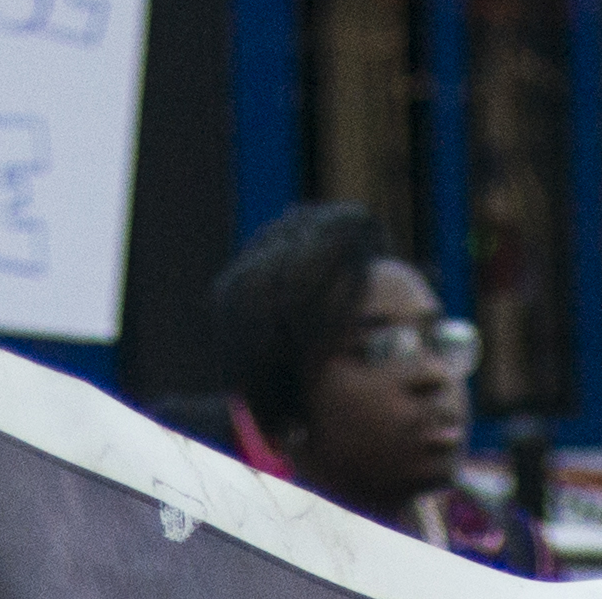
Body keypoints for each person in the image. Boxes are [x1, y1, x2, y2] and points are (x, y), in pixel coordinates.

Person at [201, 200, 549, 564]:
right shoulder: (248, 568)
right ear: (288, 400)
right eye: (381, 349)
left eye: (437, 338)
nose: (433, 375)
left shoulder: (513, 553)